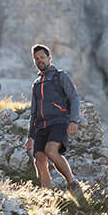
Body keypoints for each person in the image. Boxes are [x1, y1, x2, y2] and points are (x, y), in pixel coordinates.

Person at [26, 43, 82, 196]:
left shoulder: (60, 76)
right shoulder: (36, 84)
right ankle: (47, 196)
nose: (40, 61)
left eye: (42, 57)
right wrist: (31, 136)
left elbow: (74, 98)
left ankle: (72, 183)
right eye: (36, 59)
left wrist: (73, 121)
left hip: (59, 121)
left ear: (49, 57)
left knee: (51, 151)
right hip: (41, 126)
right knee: (39, 159)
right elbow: (33, 112)